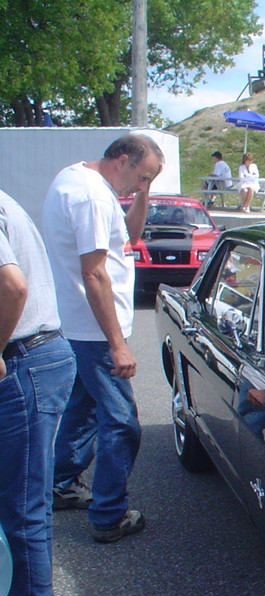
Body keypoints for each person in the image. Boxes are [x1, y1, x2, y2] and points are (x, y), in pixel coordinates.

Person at [41, 135, 163, 544]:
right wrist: (117, 343)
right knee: (122, 422)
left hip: (81, 326)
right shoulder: (91, 197)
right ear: (121, 159)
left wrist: (142, 193)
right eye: (141, 176)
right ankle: (109, 515)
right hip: (94, 330)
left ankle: (60, 484)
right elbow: (93, 274)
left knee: (82, 409)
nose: (139, 185)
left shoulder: (82, 182)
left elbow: (129, 236)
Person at [0, 189, 76, 596]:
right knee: (19, 491)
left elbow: (12, 286)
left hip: (25, 357)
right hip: (37, 355)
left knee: (22, 497)